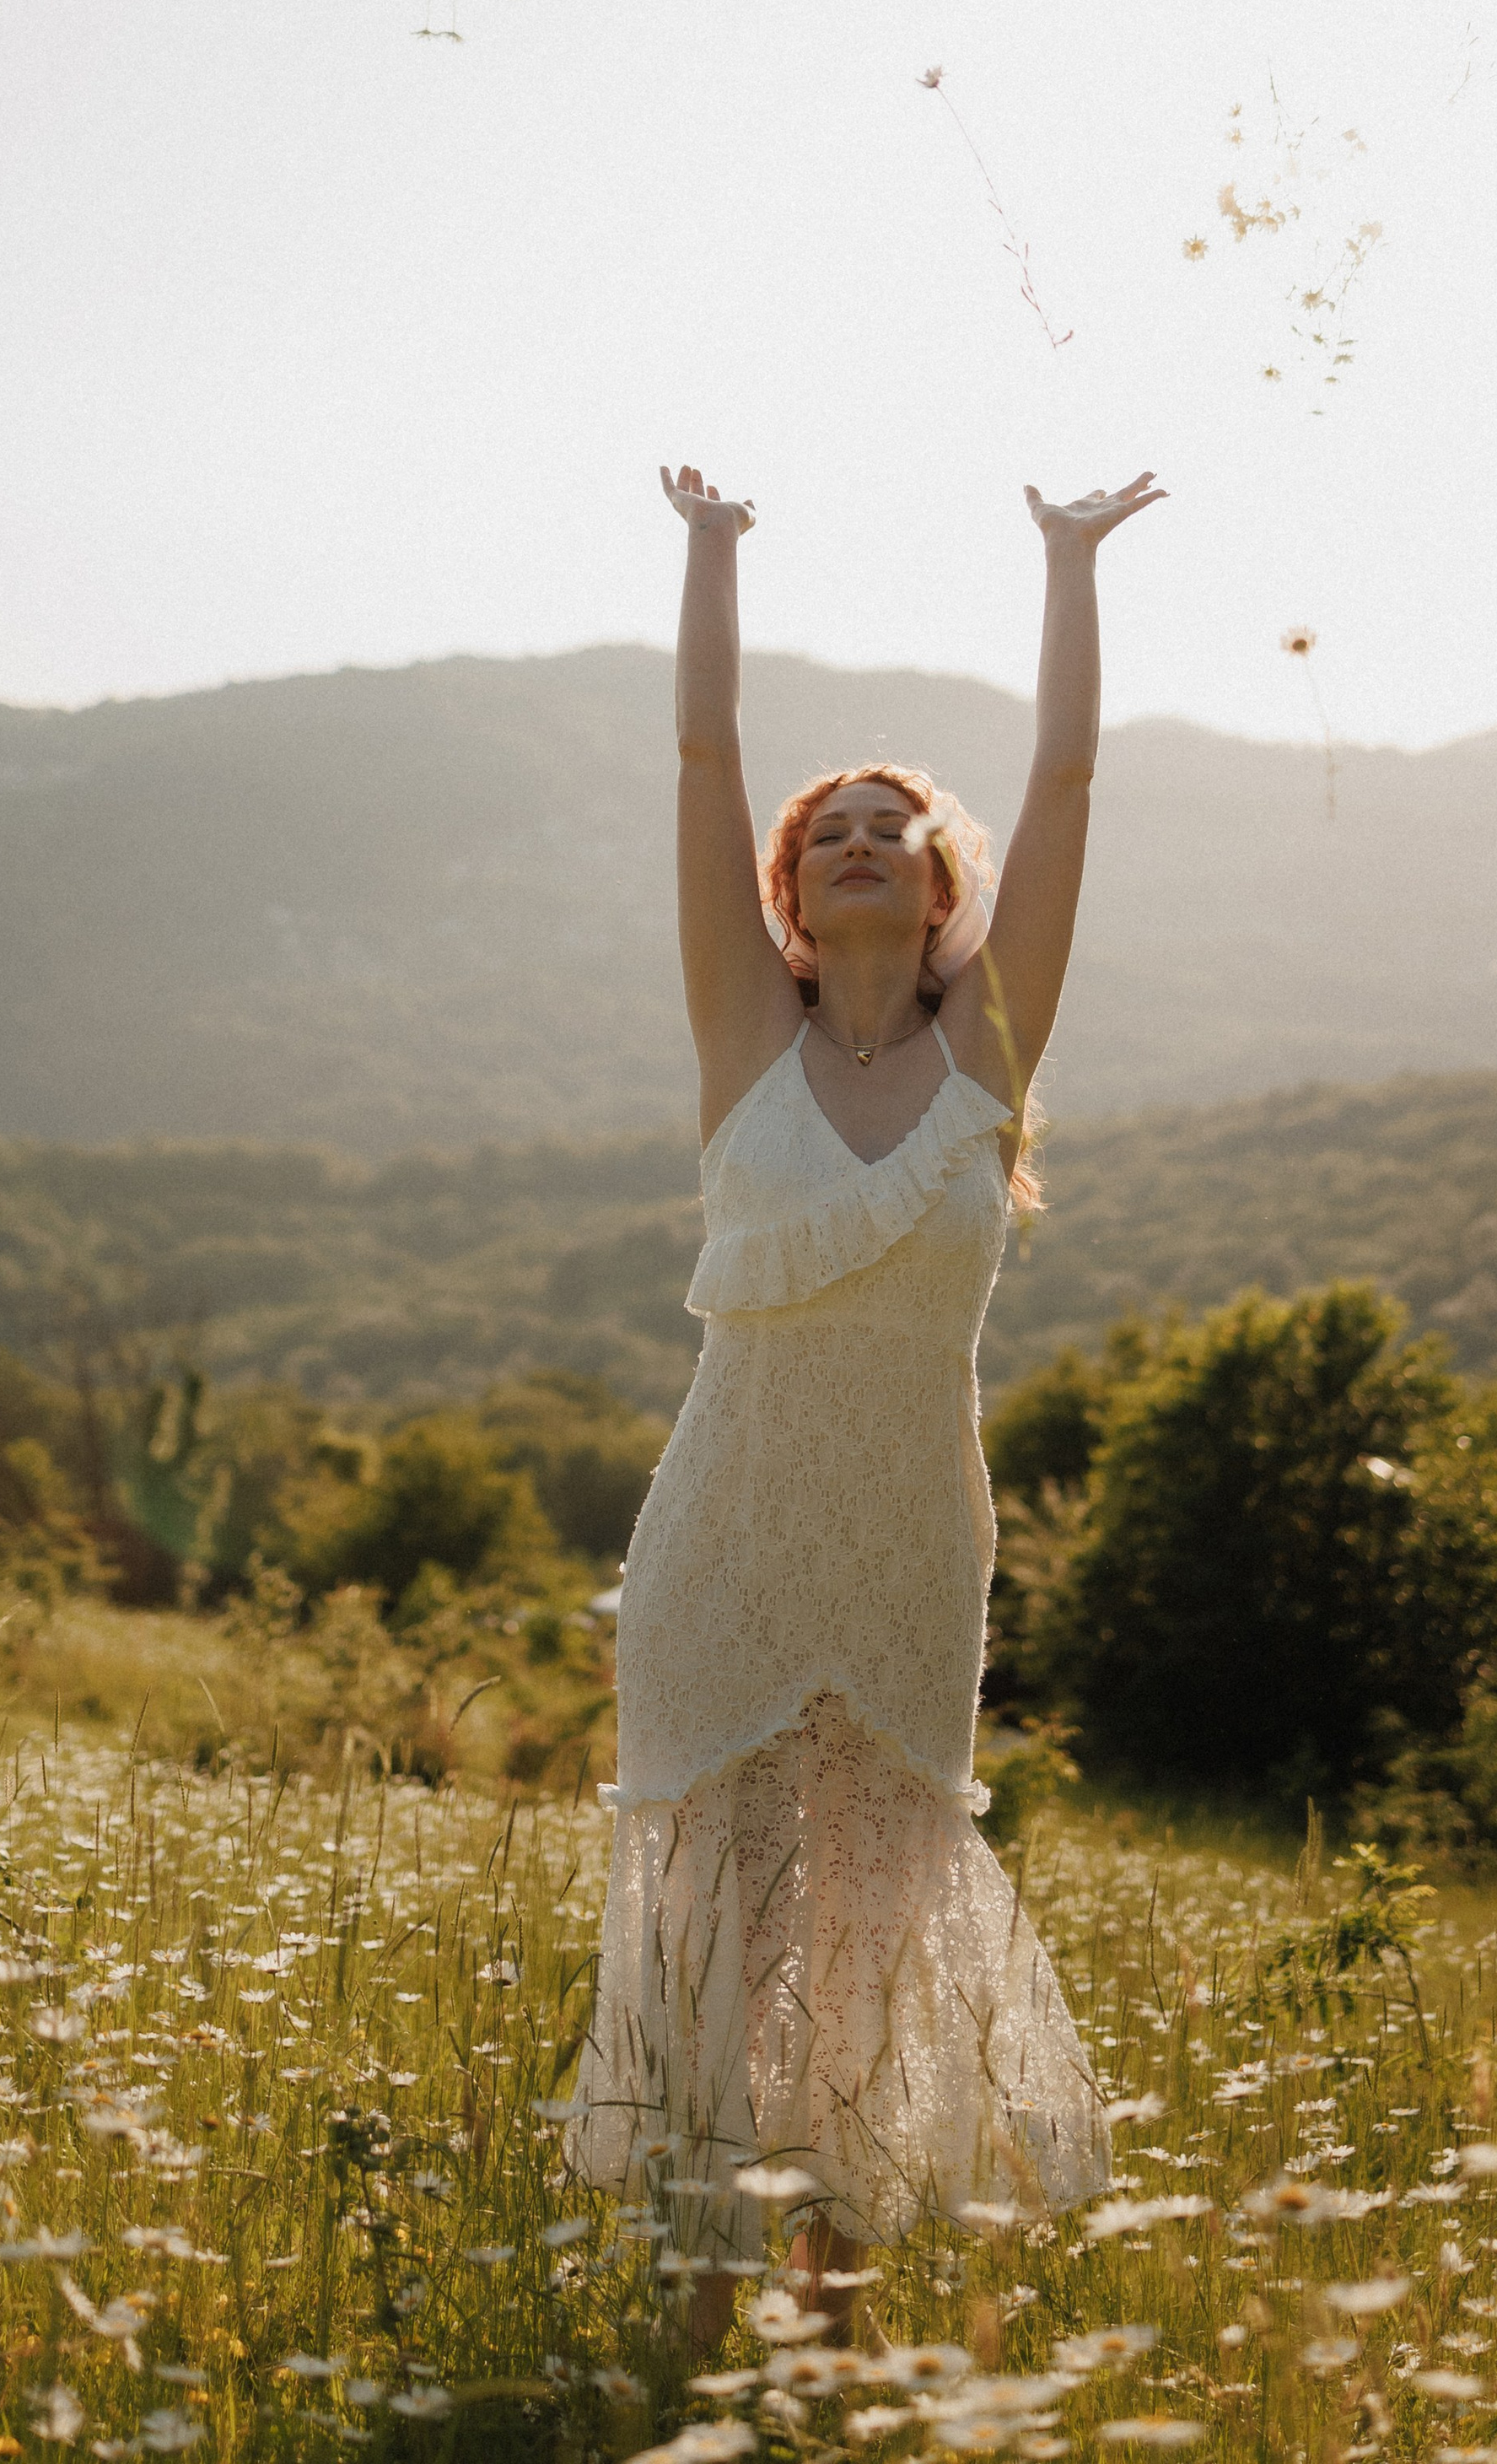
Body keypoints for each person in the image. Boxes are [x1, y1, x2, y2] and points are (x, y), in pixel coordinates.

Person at [572, 457, 1167, 2327]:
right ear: (788, 885)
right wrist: (709, 551)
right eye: (824, 828)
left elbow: (1067, 784)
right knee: (715, 1931)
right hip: (722, 1544)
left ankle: (823, 2344)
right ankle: (694, 2322)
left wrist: (1067, 563)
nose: (852, 840)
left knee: (861, 1952)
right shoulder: (740, 1035)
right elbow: (700, 760)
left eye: (887, 827)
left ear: (936, 886)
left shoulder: (989, 1056)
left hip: (908, 1555)